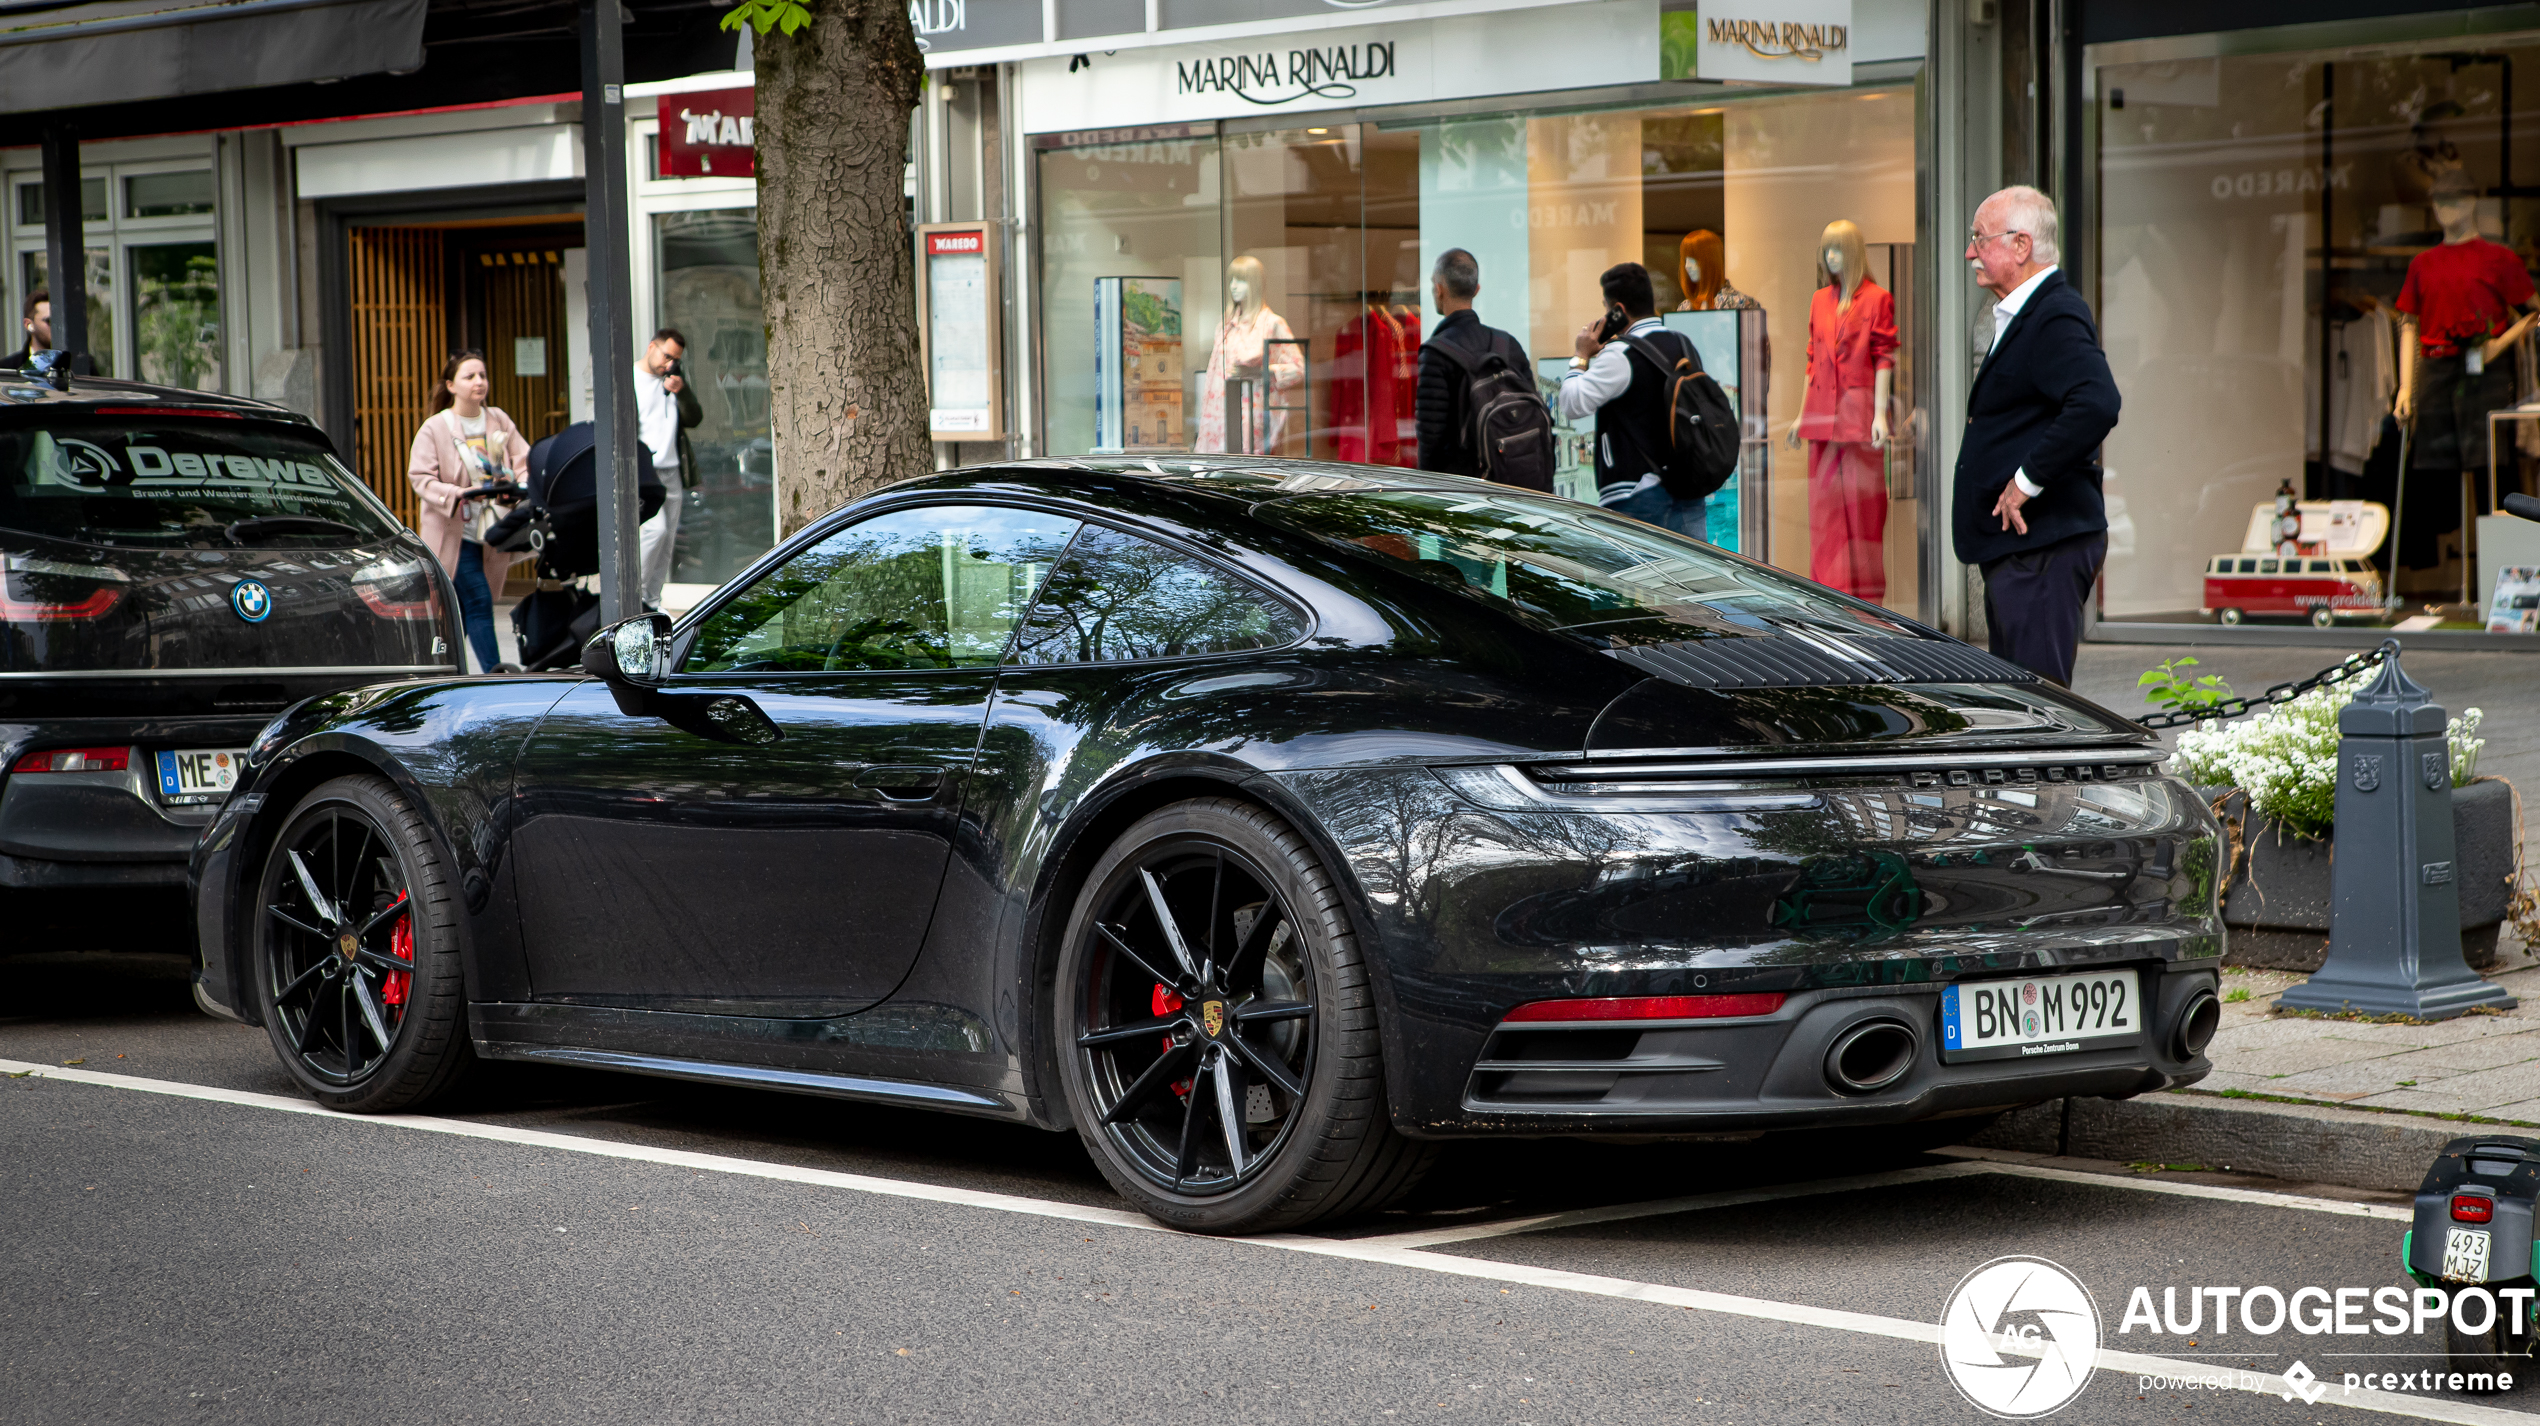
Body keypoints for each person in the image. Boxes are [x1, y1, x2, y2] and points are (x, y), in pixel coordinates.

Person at [1952, 185, 2120, 686]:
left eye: (1979, 239)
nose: (1969, 252)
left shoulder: (2053, 312)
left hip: (2043, 549)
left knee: (2040, 709)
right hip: (2025, 553)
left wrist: (2025, 482)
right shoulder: (2029, 310)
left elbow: (2097, 402)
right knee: (2023, 707)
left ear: (2021, 245)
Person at [1786, 218, 1898, 601]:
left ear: (1851, 253)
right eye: (1826, 250)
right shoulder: (1820, 300)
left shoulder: (1878, 299)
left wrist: (1880, 414)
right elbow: (1812, 358)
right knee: (1826, 518)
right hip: (1822, 420)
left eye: (1836, 249)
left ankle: (1867, 605)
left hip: (1858, 420)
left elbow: (1884, 357)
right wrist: (1803, 414)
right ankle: (1829, 599)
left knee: (1863, 516)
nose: (1830, 257)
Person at [1560, 262, 1704, 538]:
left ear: (1618, 311)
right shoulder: (1684, 345)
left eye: (1606, 308)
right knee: (1691, 579)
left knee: (1633, 581)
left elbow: (1571, 404)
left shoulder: (1621, 354)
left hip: (1635, 495)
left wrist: (1581, 357)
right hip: (1689, 489)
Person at [407, 349, 529, 674]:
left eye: (482, 375)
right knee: (479, 600)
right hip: (454, 535)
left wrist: (524, 486)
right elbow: (419, 477)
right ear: (450, 385)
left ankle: (436, 673)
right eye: (470, 376)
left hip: (489, 531)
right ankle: (496, 674)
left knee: (459, 610)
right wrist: (455, 494)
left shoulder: (498, 419)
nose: (479, 382)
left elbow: (524, 460)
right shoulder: (436, 427)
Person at [1415, 248, 1533, 479]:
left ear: (1439, 290)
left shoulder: (1436, 354)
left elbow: (1430, 442)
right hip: (1516, 486)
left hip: (1465, 490)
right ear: (1476, 290)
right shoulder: (1509, 345)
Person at [634, 328, 702, 607]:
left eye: (675, 359)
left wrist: (681, 391)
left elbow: (694, 418)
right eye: (666, 356)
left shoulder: (673, 381)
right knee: (654, 530)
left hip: (672, 471)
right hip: (645, 472)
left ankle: (652, 601)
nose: (669, 364)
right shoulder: (631, 380)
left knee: (667, 542)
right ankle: (633, 596)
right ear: (652, 347)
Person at [1, 290, 50, 371]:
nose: (57, 327)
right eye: (49, 321)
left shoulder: (74, 366)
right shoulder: (8, 369)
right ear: (29, 325)